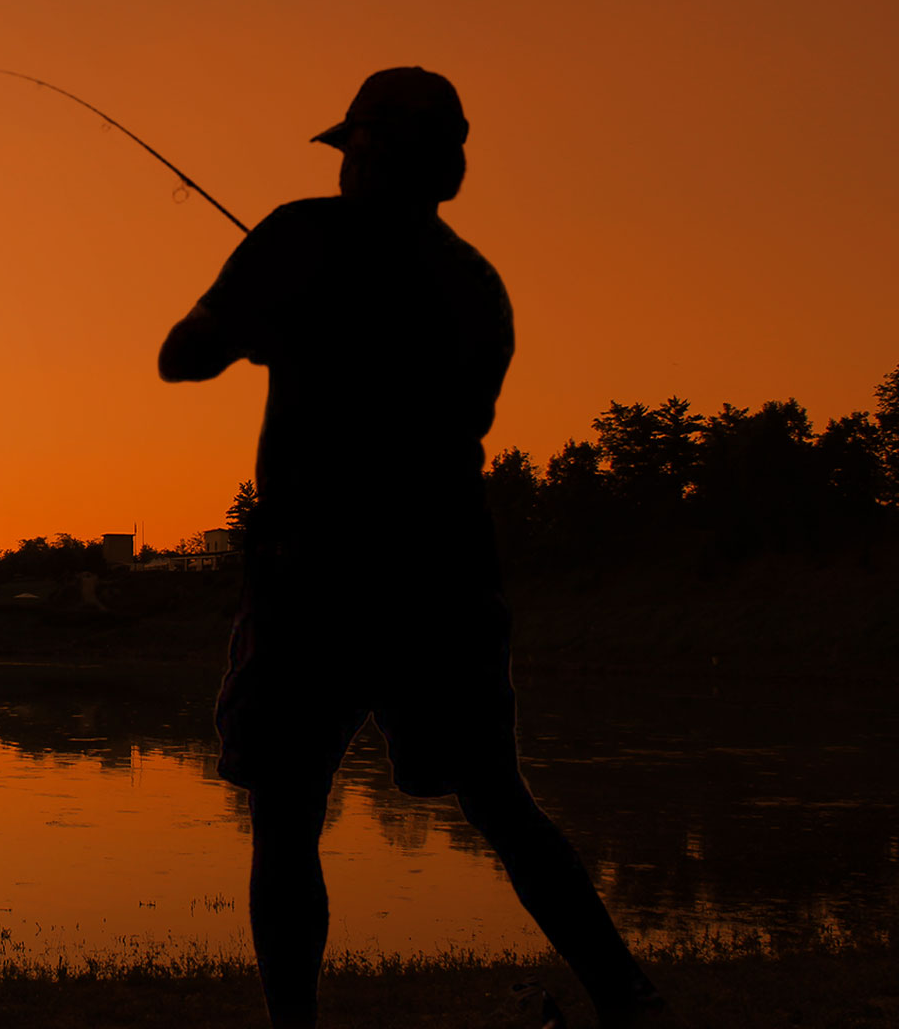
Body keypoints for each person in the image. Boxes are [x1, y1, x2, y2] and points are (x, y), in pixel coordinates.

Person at [159, 68, 669, 1028]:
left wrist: (255, 322)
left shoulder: (297, 235)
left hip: (316, 573)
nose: (345, 164)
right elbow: (457, 418)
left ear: (369, 151)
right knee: (501, 803)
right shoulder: (479, 284)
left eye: (351, 146)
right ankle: (628, 995)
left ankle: (295, 1028)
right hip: (446, 573)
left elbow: (181, 357)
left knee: (287, 811)